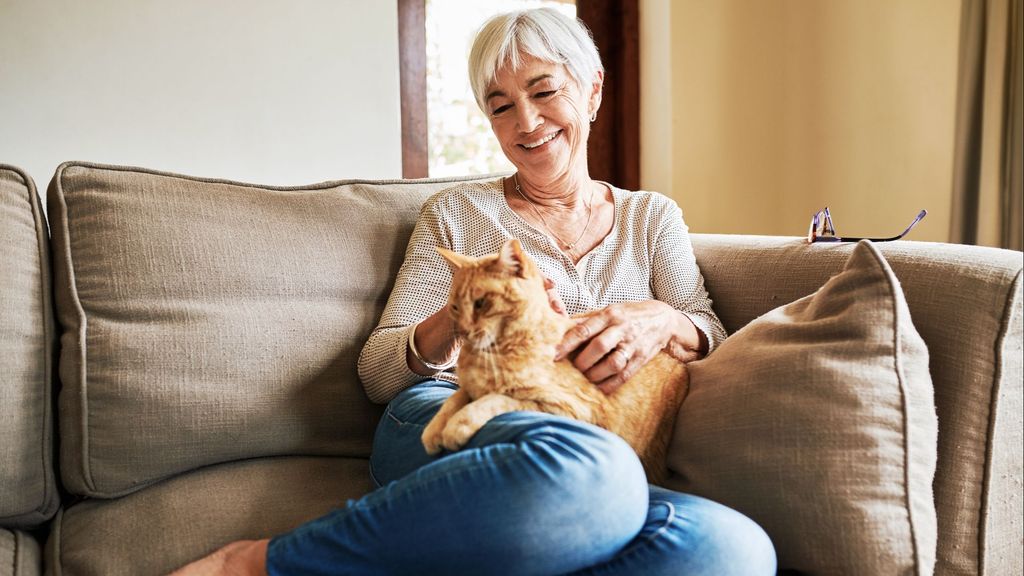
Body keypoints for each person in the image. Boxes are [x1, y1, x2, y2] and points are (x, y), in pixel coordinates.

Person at [172, 8, 776, 575]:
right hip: (448, 408)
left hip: (595, 432)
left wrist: (664, 319)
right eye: (501, 106)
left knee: (732, 549)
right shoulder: (457, 215)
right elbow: (380, 373)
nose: (527, 123)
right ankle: (261, 563)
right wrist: (466, 317)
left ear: (592, 90)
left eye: (543, 93)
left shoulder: (652, 218)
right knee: (596, 472)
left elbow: (711, 334)